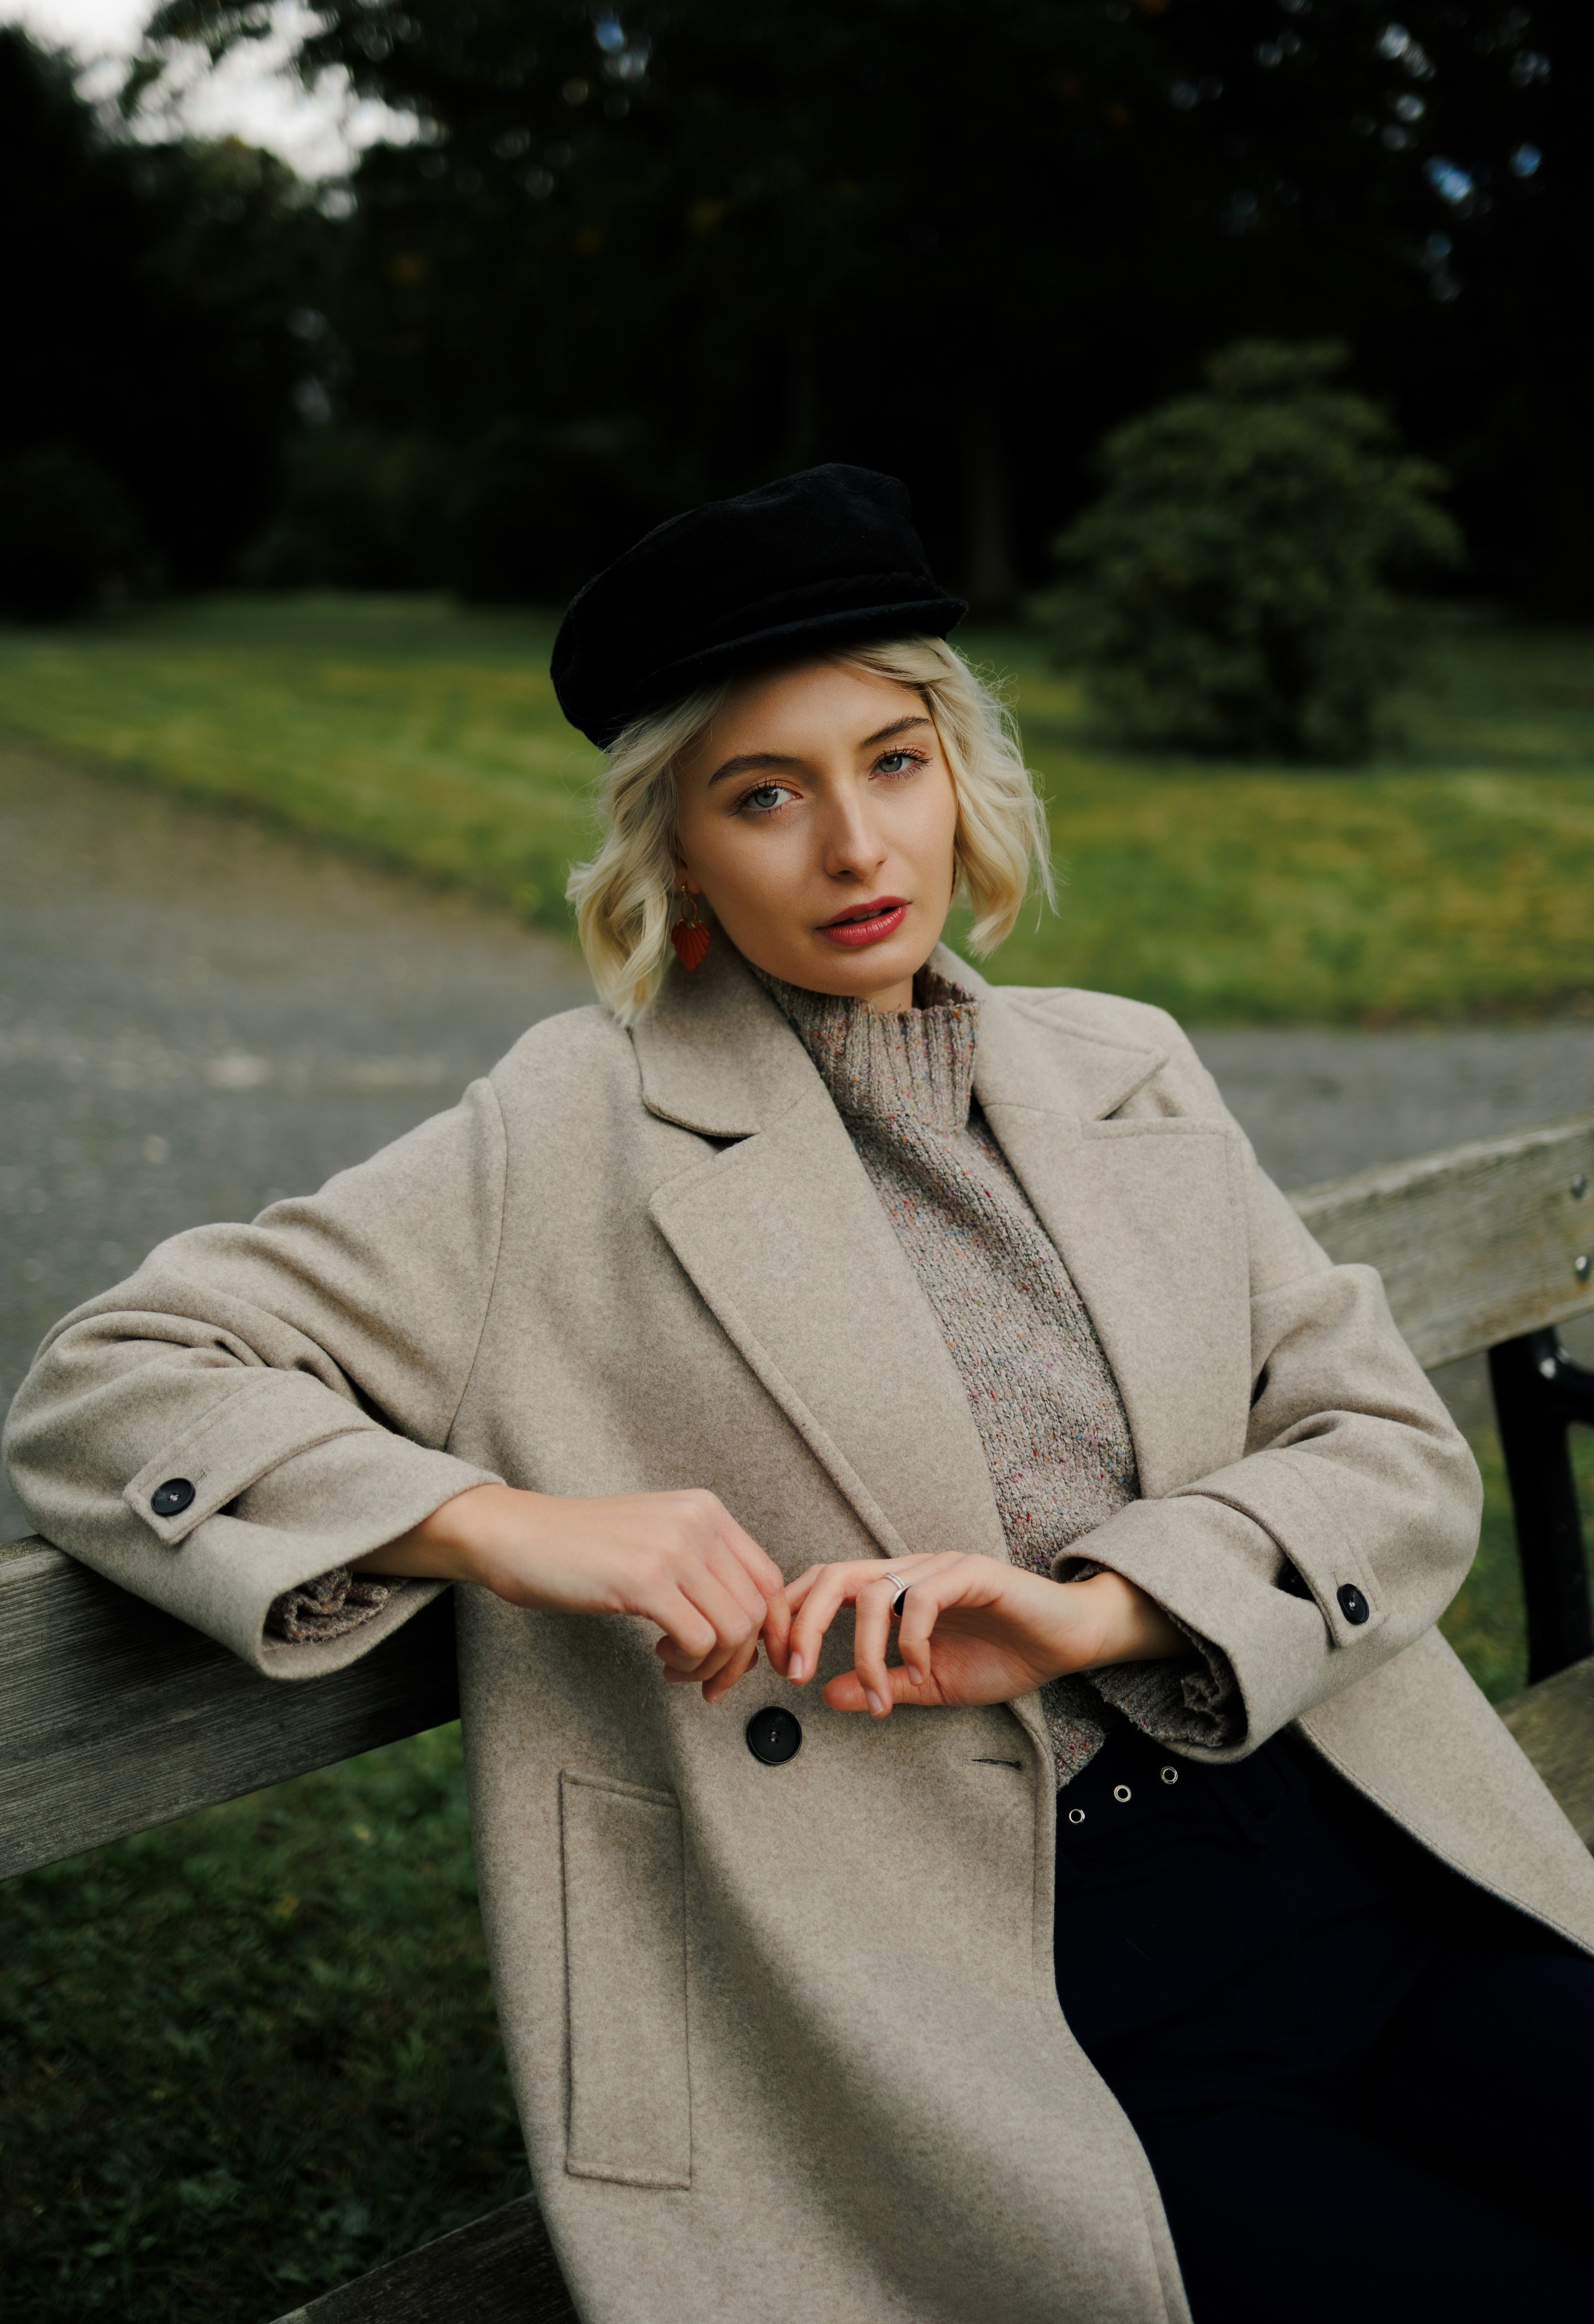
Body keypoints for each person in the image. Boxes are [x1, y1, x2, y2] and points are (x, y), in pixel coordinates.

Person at [6, 463, 1593, 2324]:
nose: (857, 848)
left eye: (894, 762)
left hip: (1357, 1841)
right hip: (1007, 2000)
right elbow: (108, 1387)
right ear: (673, 846)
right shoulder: (559, 1135)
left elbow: (1387, 1449)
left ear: (961, 773)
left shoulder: (1123, 1069)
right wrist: (512, 1528)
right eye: (766, 795)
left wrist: (1102, 1609)